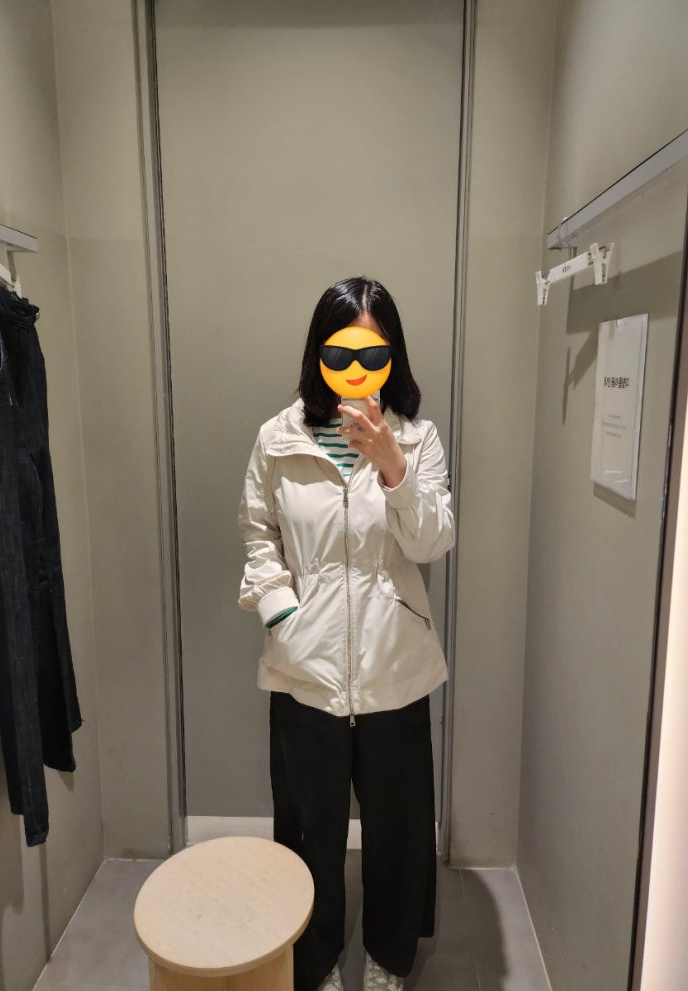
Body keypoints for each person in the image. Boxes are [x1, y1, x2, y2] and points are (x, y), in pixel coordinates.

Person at [238, 277, 454, 991]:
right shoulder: (278, 438)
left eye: (372, 349)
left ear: (392, 354)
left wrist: (393, 465)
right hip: (305, 672)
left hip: (395, 668)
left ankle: (389, 956)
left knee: (398, 828)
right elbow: (258, 535)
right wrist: (284, 617)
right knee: (310, 829)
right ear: (319, 353)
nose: (357, 365)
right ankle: (316, 955)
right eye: (341, 350)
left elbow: (432, 541)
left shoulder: (418, 439)